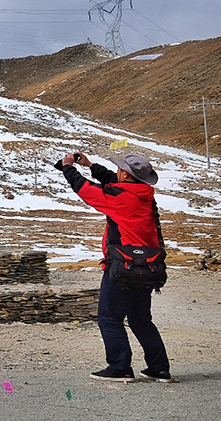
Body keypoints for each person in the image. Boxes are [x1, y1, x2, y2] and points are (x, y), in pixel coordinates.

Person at [57, 151, 172, 383]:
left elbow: (85, 190)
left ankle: (120, 367)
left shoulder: (119, 196)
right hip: (148, 268)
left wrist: (68, 167)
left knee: (109, 317)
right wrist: (90, 165)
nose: (117, 171)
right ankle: (159, 368)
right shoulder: (144, 195)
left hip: (122, 268)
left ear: (124, 173)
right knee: (140, 319)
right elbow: (113, 182)